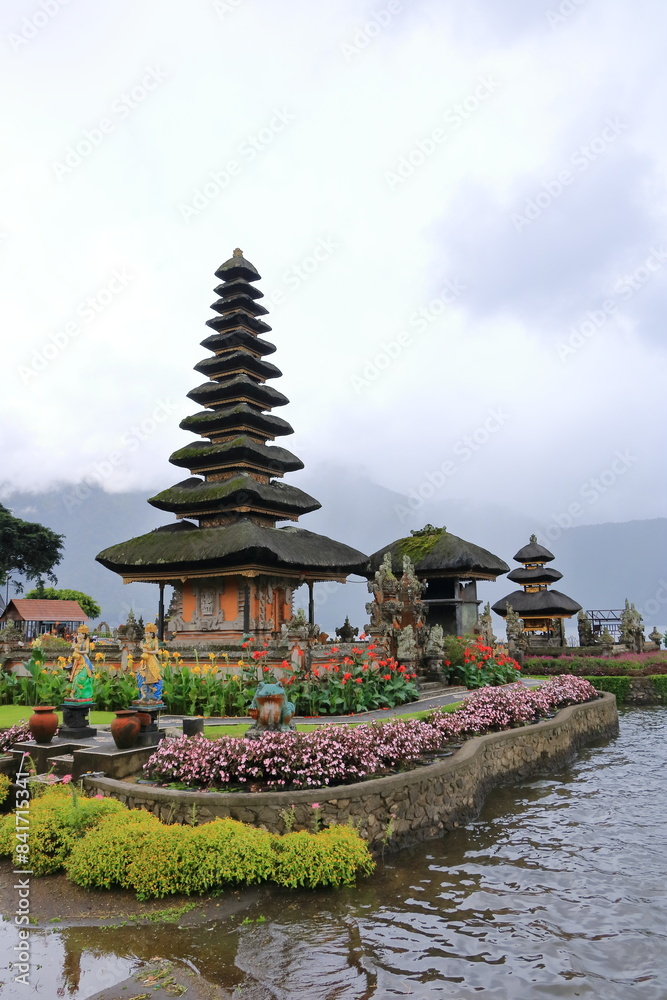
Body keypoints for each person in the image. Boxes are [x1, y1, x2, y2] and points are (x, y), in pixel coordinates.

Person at [137, 622, 163, 702]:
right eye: (145, 633)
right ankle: (144, 695)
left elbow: (156, 651)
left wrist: (148, 652)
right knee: (141, 676)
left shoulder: (154, 641)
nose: (146, 635)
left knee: (154, 677)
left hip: (152, 660)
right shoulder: (145, 641)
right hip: (145, 660)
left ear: (152, 634)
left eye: (147, 633)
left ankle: (153, 696)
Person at [68, 625, 94, 701]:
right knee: (75, 677)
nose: (79, 635)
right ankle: (74, 694)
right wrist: (74, 645)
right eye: (78, 634)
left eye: (80, 634)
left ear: (84, 635)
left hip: (84, 660)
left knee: (82, 677)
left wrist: (78, 651)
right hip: (78, 661)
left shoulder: (86, 642)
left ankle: (84, 694)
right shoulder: (77, 642)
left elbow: (87, 651)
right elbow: (74, 649)